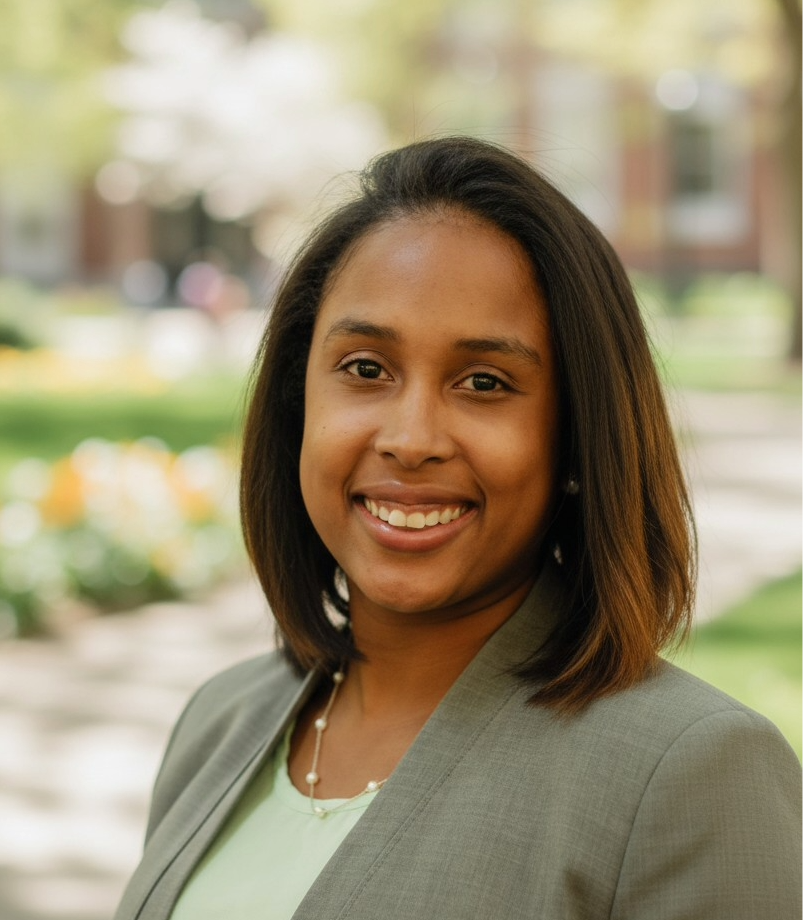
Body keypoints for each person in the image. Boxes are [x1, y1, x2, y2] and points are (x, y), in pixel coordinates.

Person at [115, 137, 803, 920]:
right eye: (366, 368)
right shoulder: (222, 718)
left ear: (578, 435)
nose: (411, 439)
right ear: (293, 401)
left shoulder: (690, 775)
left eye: (484, 382)